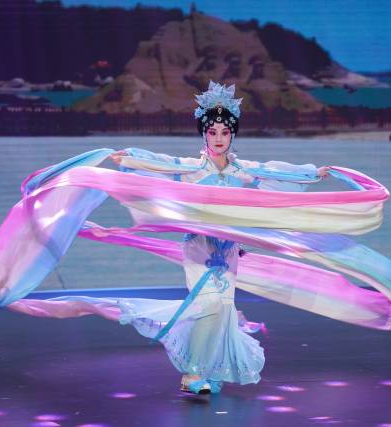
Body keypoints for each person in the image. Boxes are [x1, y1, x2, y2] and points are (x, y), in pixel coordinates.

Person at [106, 81, 331, 394]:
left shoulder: (241, 170)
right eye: (213, 132)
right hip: (199, 246)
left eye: (225, 132)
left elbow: (274, 172)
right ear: (204, 134)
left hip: (228, 250)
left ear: (232, 134)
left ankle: (210, 370)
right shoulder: (193, 169)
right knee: (208, 304)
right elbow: (161, 163)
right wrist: (131, 158)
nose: (219, 138)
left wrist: (311, 173)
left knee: (222, 309)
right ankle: (191, 374)